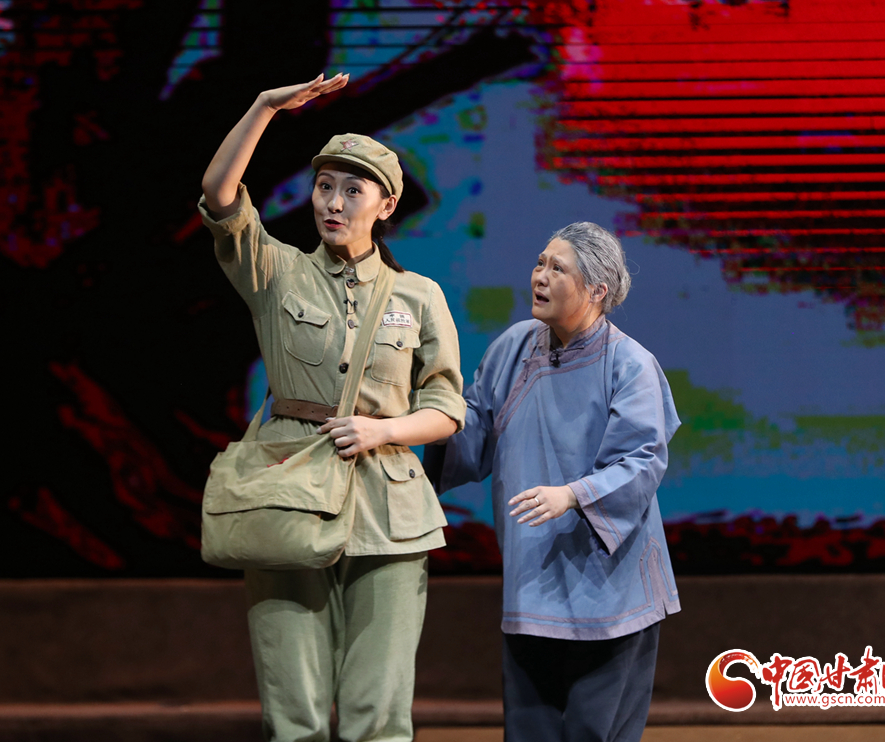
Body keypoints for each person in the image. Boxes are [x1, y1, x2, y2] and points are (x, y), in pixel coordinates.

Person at [199, 73, 466, 742]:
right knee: (294, 711)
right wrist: (263, 107)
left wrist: (385, 429)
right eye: (324, 187)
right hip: (288, 494)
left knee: (380, 711)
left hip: (390, 508)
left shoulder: (418, 295)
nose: (334, 202)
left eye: (353, 190)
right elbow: (220, 195)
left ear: (387, 204)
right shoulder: (277, 271)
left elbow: (446, 405)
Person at [425, 222, 681, 742]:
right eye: (540, 263)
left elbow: (642, 460)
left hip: (612, 592)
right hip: (533, 582)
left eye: (557, 268)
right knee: (528, 732)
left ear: (597, 290)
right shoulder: (513, 347)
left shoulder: (630, 364)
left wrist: (572, 495)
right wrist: (421, 414)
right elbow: (473, 431)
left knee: (593, 732)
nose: (540, 276)